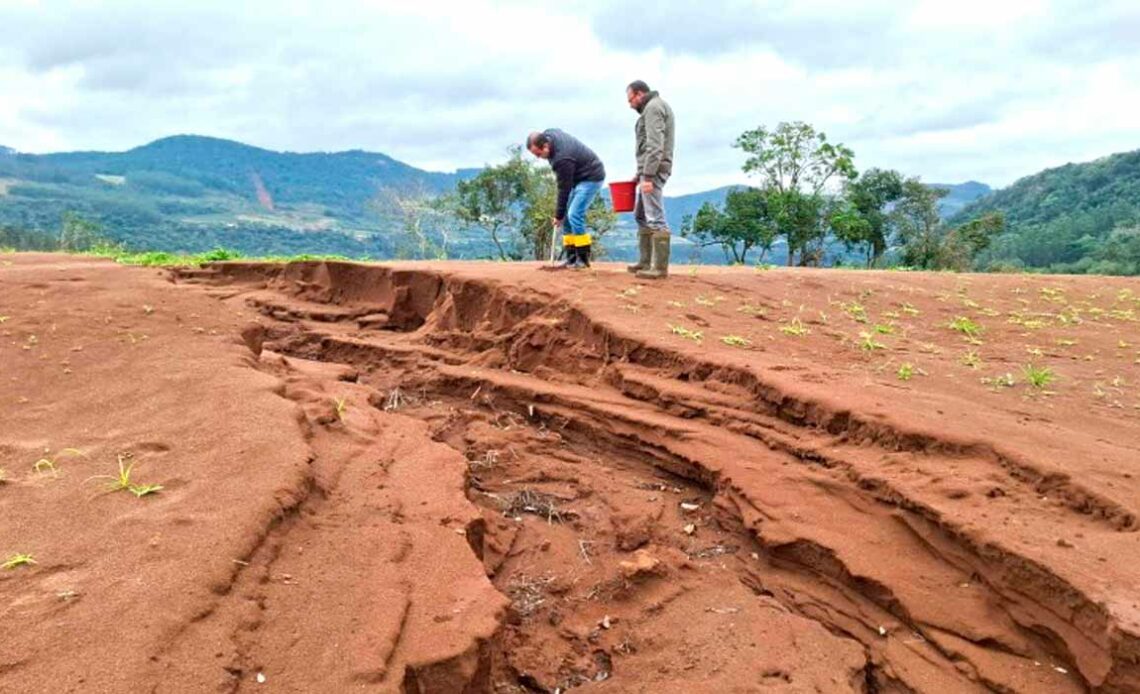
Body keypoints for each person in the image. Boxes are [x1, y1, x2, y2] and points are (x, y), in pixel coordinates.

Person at [526, 129, 606, 269]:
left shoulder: (562, 159)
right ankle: (571, 258)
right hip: (577, 177)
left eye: (538, 154)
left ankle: (583, 259)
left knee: (574, 214)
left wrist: (558, 215)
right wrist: (562, 216)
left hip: (591, 177)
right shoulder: (549, 134)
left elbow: (564, 189)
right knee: (567, 219)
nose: (538, 158)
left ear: (546, 146)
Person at [625, 80, 675, 279]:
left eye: (631, 100)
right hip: (648, 171)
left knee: (655, 218)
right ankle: (645, 262)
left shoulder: (654, 108)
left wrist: (647, 176)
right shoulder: (652, 108)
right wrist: (639, 174)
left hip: (654, 171)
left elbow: (655, 146)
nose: (630, 105)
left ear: (639, 94)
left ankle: (659, 269)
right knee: (641, 215)